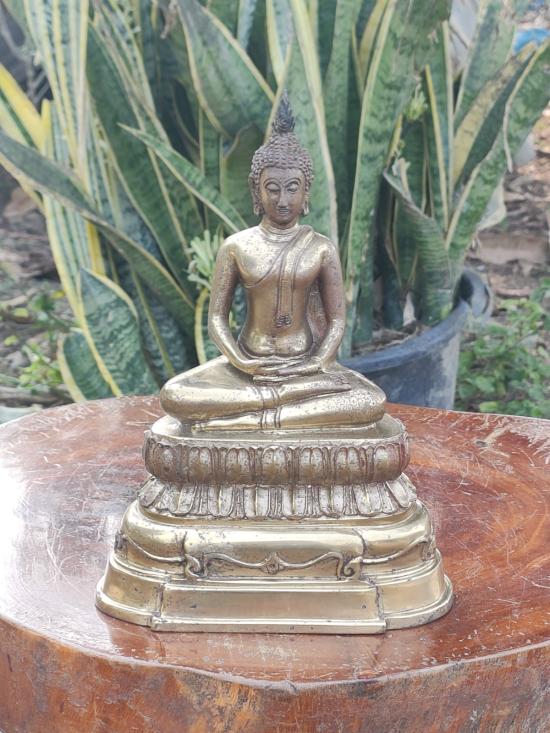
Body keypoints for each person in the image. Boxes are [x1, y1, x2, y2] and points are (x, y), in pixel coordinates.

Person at [161, 93, 385, 432]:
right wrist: (241, 361)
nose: (283, 200)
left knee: (370, 401)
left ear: (306, 192)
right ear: (256, 191)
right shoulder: (236, 246)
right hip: (248, 367)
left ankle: (249, 418)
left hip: (303, 368)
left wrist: (314, 364)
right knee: (175, 395)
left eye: (293, 188)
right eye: (272, 188)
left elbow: (338, 320)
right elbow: (217, 318)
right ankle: (277, 408)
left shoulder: (321, 249)